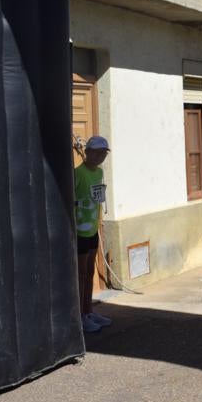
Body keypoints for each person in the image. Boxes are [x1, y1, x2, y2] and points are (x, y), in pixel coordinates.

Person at [75, 135, 111, 333]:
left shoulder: (99, 173)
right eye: (97, 153)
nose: (100, 157)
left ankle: (88, 311)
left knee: (89, 272)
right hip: (79, 230)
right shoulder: (77, 173)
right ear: (87, 152)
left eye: (103, 153)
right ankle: (79, 315)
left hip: (92, 229)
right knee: (80, 274)